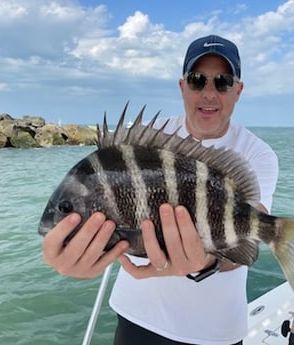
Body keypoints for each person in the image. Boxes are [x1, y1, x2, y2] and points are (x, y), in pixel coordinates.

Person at [42, 34, 279, 345]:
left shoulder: (258, 154)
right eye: (197, 80)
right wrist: (64, 256)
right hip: (136, 318)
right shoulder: (137, 142)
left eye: (222, 82)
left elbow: (247, 239)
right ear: (183, 86)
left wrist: (205, 263)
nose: (209, 93)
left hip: (215, 332)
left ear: (238, 89)